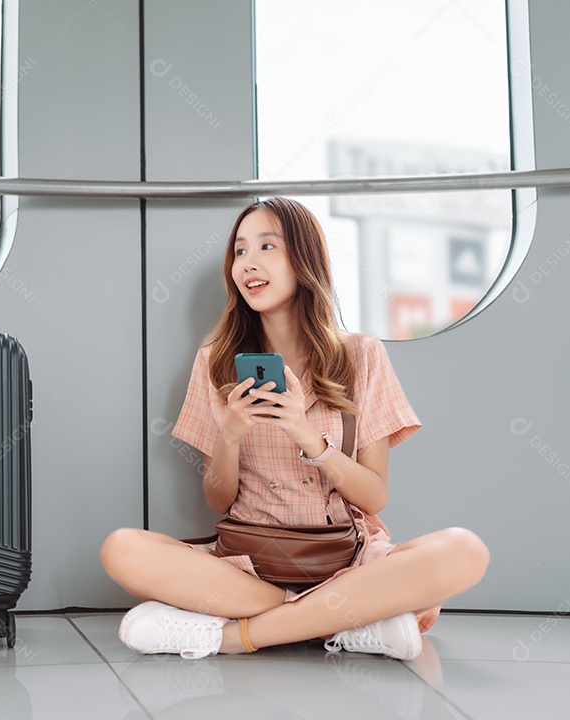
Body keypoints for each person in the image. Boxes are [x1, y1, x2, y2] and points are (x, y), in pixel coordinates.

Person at [100, 197, 490, 661]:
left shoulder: (361, 355)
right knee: (122, 548)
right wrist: (230, 434)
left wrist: (309, 438)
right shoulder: (216, 360)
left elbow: (375, 497)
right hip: (246, 568)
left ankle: (235, 635)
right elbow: (217, 499)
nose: (249, 263)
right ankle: (344, 624)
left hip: (343, 564)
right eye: (240, 251)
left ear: (305, 260)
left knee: (464, 551)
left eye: (267, 246)